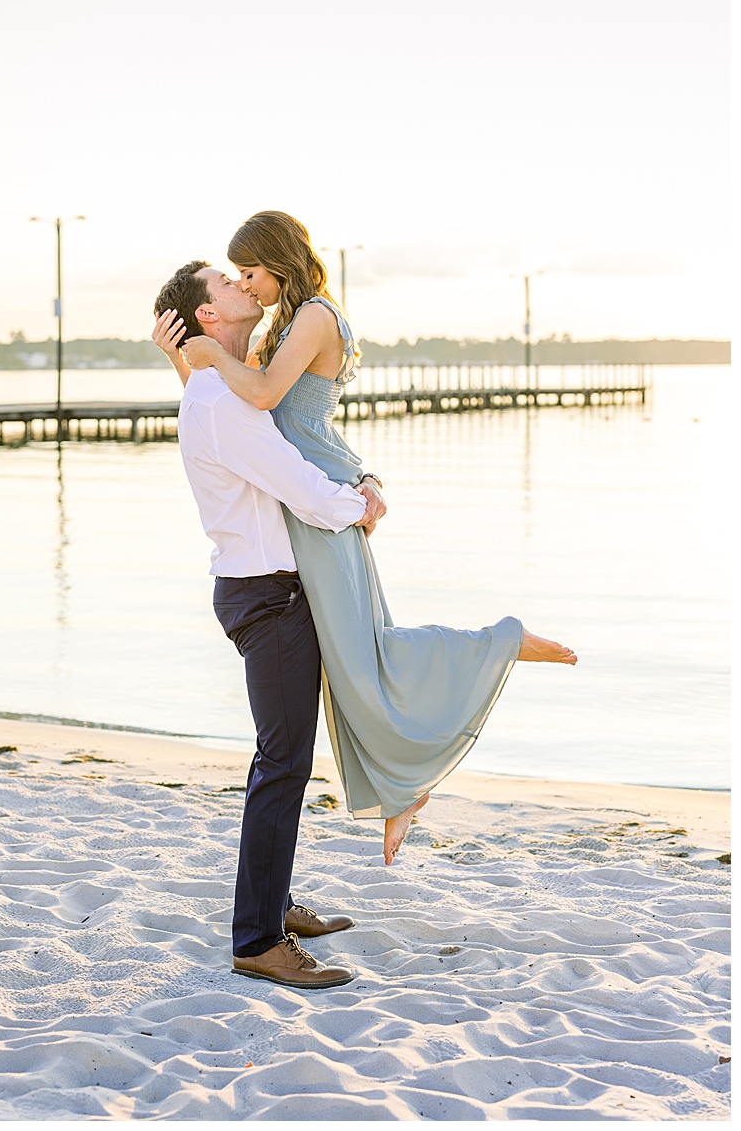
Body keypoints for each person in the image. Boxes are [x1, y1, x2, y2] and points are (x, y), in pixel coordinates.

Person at [153, 212, 576, 870]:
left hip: (326, 509)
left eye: (251, 272)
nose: (247, 285)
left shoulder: (312, 316)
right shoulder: (281, 330)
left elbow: (258, 400)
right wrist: (186, 359)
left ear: (278, 261)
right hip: (319, 509)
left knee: (364, 656)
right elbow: (224, 420)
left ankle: (497, 645)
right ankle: (400, 789)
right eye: (235, 278)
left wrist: (357, 489)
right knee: (355, 667)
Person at [152, 260, 384, 989]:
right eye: (225, 283)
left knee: (281, 762)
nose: (241, 285)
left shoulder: (220, 389)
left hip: (265, 590)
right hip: (270, 596)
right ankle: (257, 938)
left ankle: (274, 905)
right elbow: (299, 486)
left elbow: (279, 450)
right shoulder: (221, 400)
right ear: (208, 316)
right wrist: (363, 504)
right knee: (282, 765)